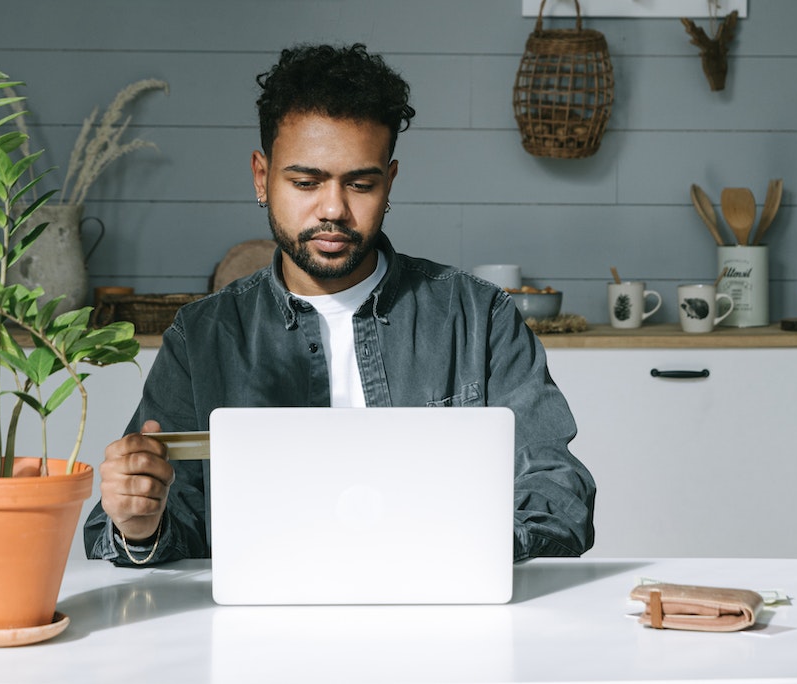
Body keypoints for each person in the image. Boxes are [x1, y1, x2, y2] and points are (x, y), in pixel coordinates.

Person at [84, 43, 595, 566]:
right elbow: (151, 520)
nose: (333, 209)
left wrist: (457, 552)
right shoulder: (204, 334)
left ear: (389, 183)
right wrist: (141, 523)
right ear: (262, 178)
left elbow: (557, 490)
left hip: (442, 615)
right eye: (305, 182)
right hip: (263, 625)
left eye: (361, 184)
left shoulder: (477, 315)